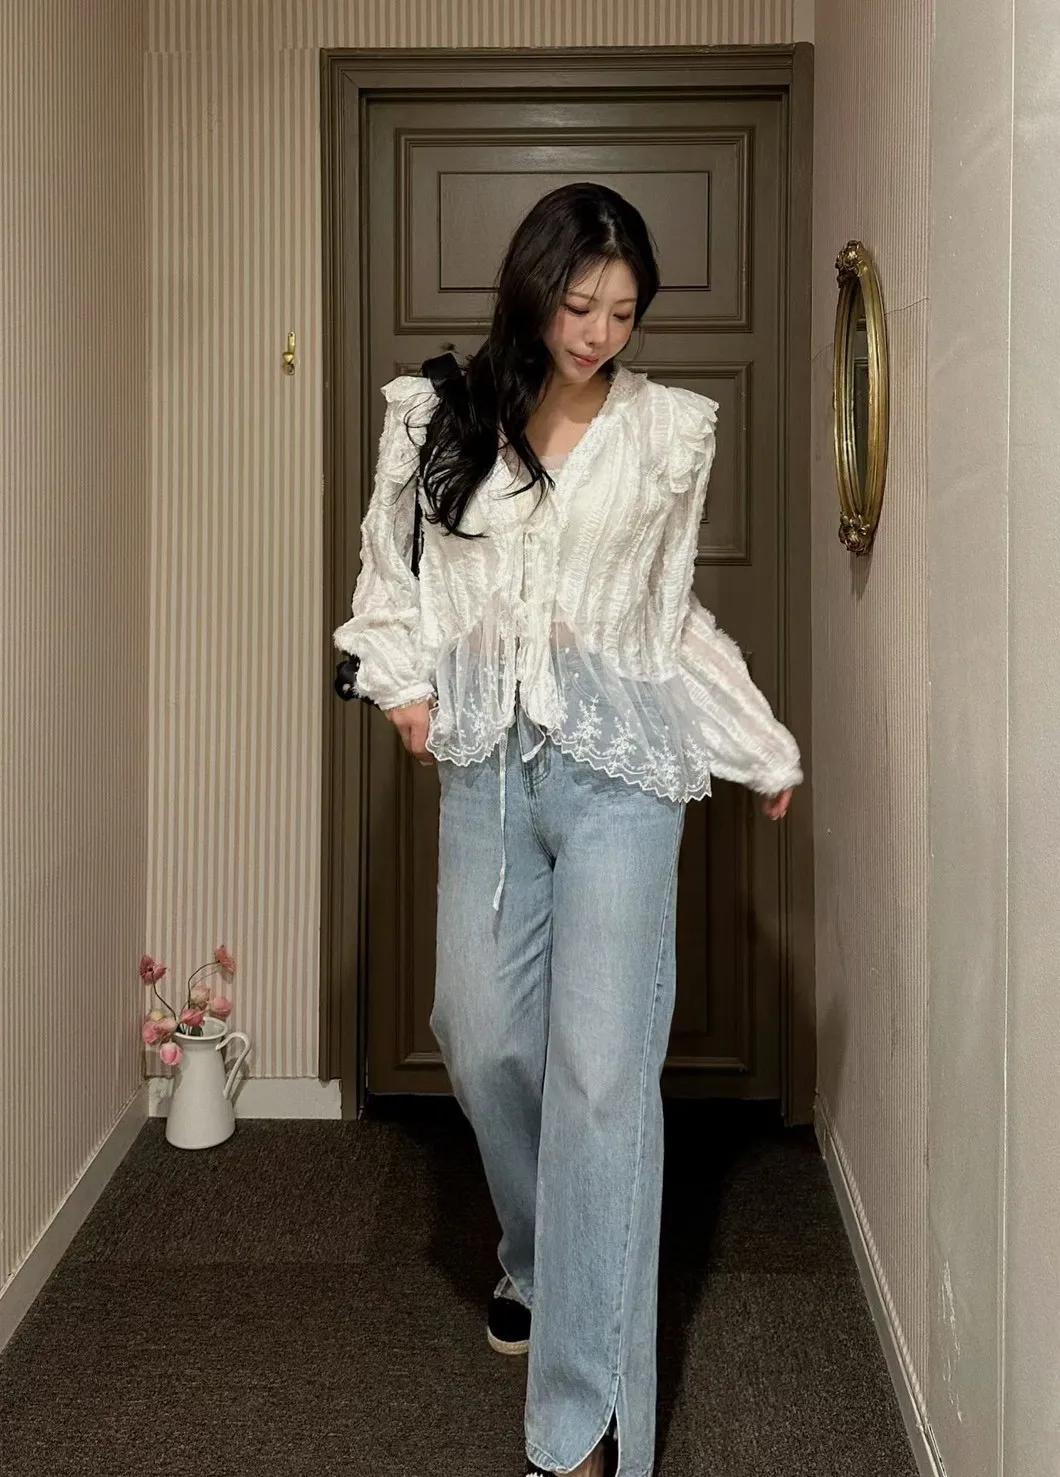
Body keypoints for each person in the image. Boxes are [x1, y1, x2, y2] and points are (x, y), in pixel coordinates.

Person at [333, 182, 802, 1477]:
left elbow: (664, 615)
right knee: (477, 1033)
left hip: (619, 777)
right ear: (533, 290)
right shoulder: (436, 414)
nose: (599, 334)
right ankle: (546, 1259)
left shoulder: (668, 432)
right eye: (580, 305)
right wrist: (403, 687)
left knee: (603, 1078)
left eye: (624, 312)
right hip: (487, 767)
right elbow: (391, 572)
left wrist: (754, 739)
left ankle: (581, 1425)